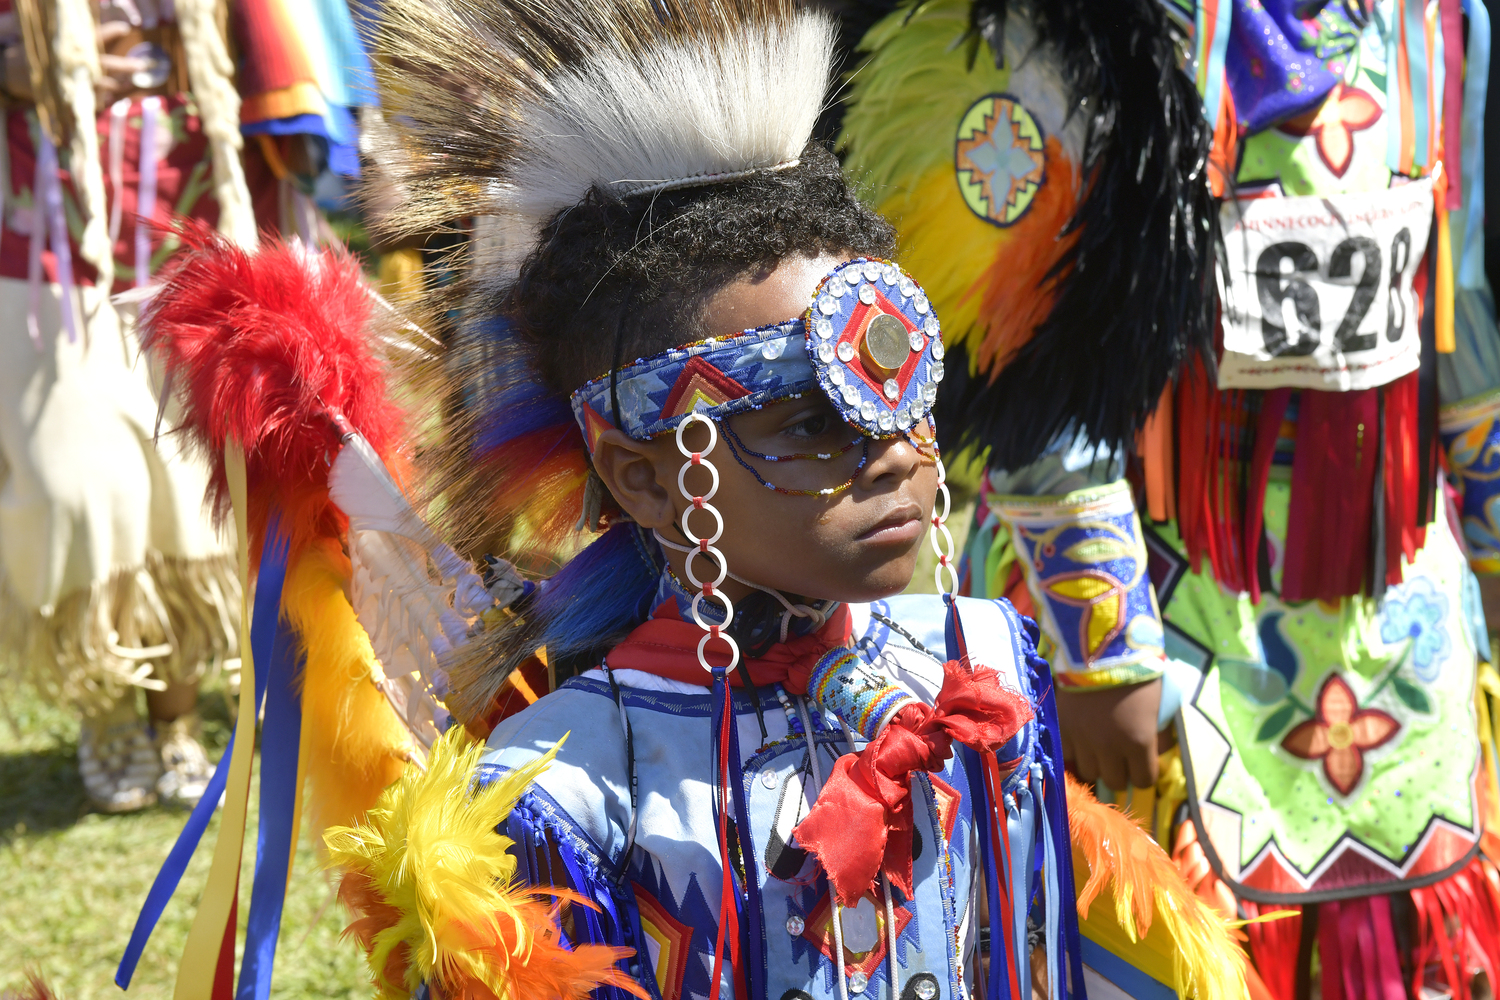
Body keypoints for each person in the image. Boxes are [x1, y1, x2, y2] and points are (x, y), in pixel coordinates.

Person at [128, 0, 1256, 995]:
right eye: (807, 419)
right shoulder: (567, 789)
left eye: (899, 389)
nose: (891, 453)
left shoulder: (987, 668)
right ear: (645, 473)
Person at [841, 0, 1500, 996]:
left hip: (1393, 623)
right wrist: (1101, 638)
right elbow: (1031, 327)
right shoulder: (1097, 26)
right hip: (1157, 608)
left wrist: (1492, 551)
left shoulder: (1442, 26)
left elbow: (1468, 310)